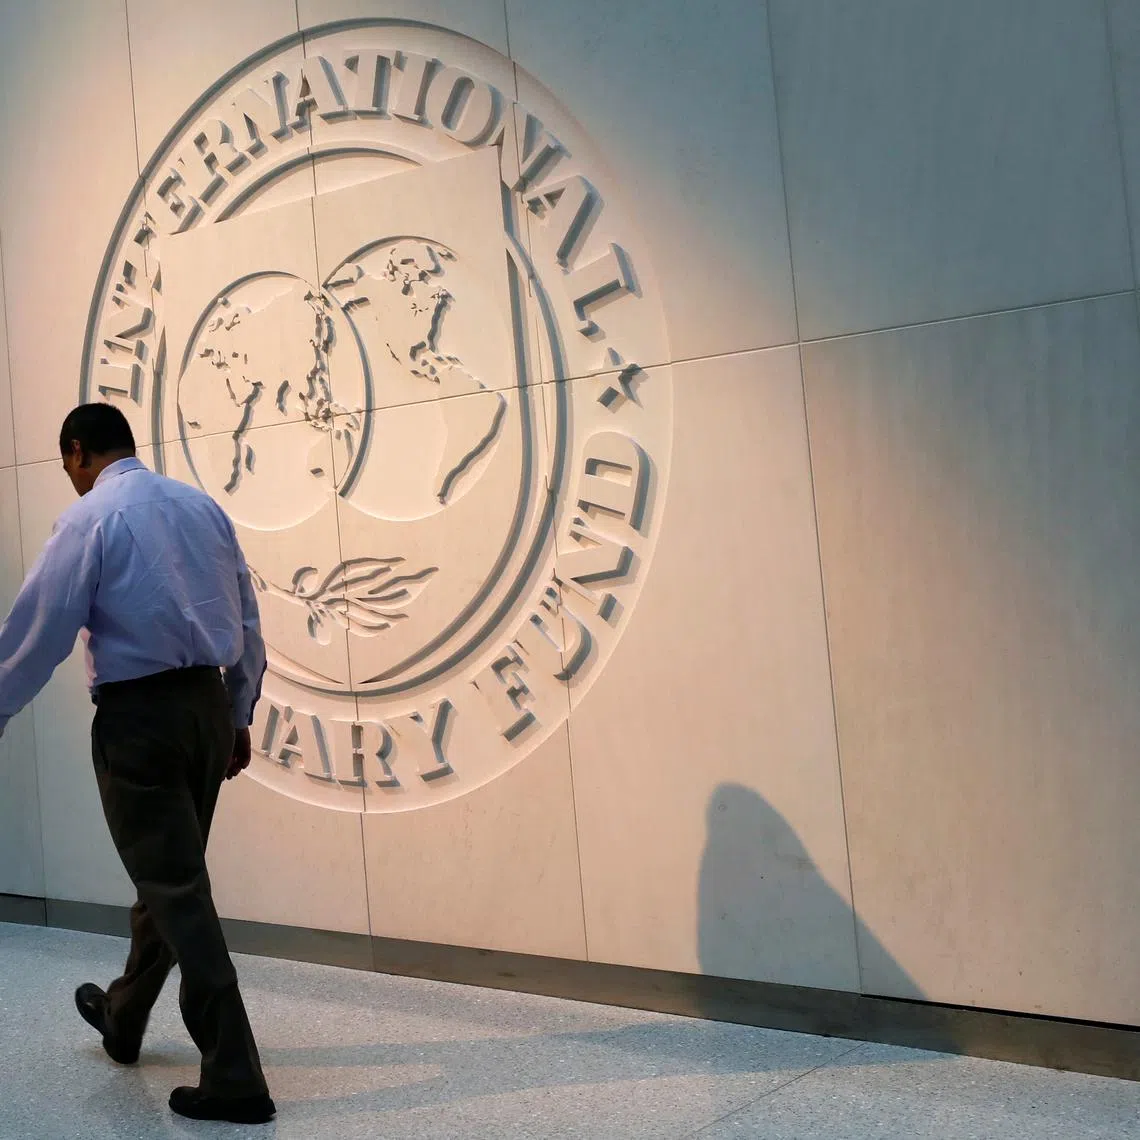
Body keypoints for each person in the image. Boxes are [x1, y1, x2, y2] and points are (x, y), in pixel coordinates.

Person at [0, 403, 275, 1125]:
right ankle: (123, 1018)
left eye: (68, 466)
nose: (71, 479)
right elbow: (246, 618)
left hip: (140, 721)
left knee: (177, 887)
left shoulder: (92, 518)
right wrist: (238, 712)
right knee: (171, 876)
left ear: (79, 451)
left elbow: (38, 630)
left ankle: (236, 1073)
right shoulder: (200, 507)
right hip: (207, 709)